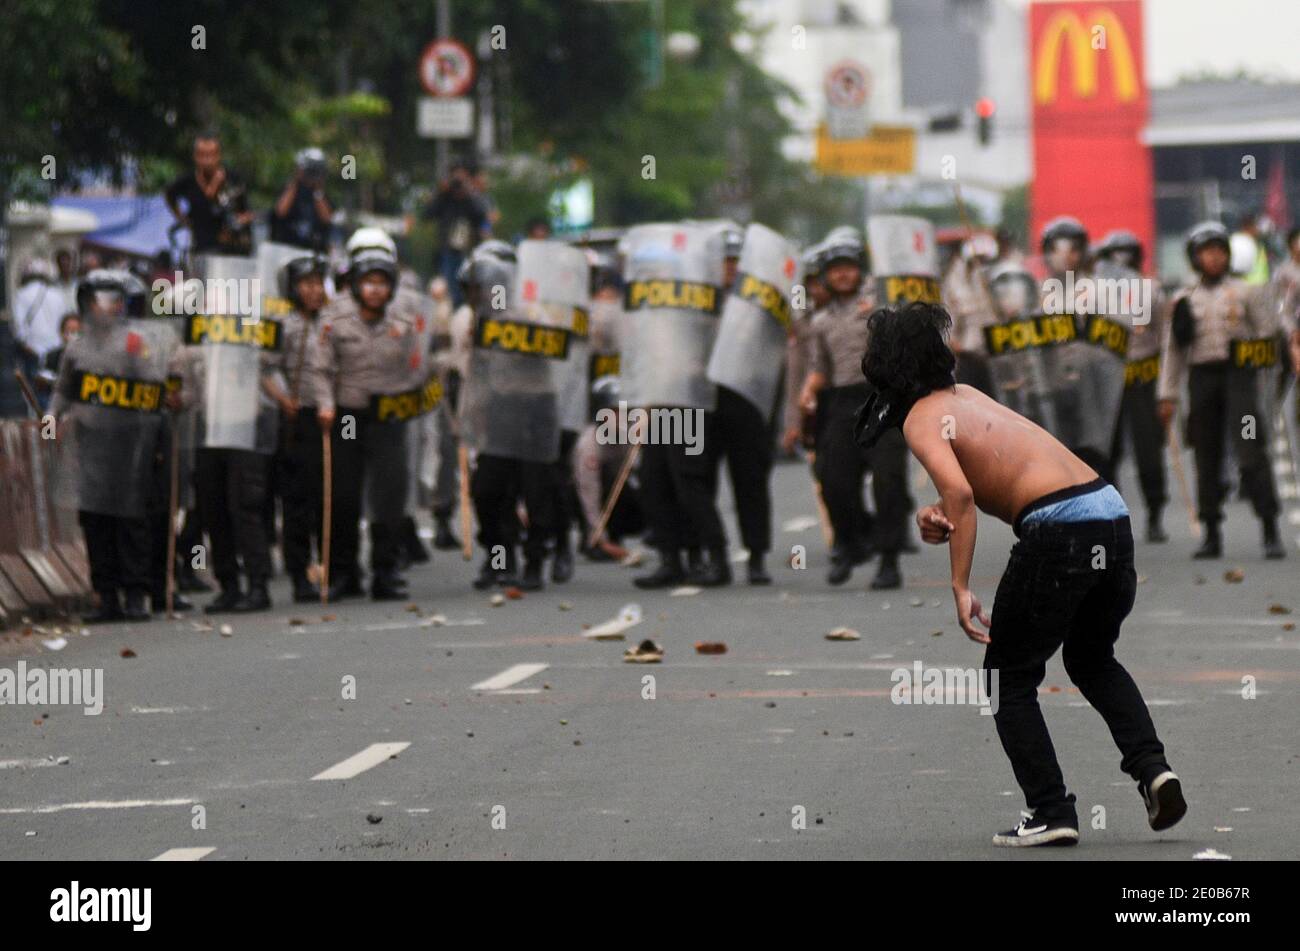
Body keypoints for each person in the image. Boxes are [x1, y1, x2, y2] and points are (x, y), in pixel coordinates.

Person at [857, 300, 1185, 847]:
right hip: (1109, 513)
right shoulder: (969, 398)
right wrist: (937, 515)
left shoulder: (918, 419)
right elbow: (986, 480)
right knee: (1092, 657)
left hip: (1058, 531)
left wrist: (959, 587)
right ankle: (1154, 770)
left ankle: (1052, 810)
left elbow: (961, 492)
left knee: (1005, 678)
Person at [1158, 222, 1287, 559]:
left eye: (1219, 251)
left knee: (1251, 450)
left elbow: (1269, 336)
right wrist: (1167, 394)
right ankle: (1211, 532)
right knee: (1206, 454)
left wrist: (1260, 362)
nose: (1214, 259)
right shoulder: (1184, 299)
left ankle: (1269, 527)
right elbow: (1174, 350)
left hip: (1239, 378)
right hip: (1202, 380)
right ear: (1194, 258)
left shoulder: (1246, 291)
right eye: (1206, 253)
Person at [51, 271, 171, 623]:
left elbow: (154, 388)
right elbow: (62, 389)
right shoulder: (76, 347)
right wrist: (51, 417)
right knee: (96, 522)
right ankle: (107, 596)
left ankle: (136, 594)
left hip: (129, 446)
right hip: (89, 449)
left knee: (130, 521)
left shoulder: (135, 341)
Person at [310, 230, 421, 601]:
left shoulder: (405, 322)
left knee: (390, 495)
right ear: (355, 285)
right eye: (367, 283)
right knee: (343, 494)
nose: (374, 290)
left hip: (390, 413)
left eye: (381, 283)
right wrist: (325, 403)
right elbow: (321, 368)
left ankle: (386, 572)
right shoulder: (333, 318)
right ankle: (343, 573)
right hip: (347, 414)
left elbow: (418, 368)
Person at [799, 227, 905, 590]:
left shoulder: (882, 304)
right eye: (835, 269)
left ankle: (889, 560)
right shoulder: (820, 320)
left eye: (849, 267)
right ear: (826, 275)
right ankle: (851, 542)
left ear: (860, 269)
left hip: (881, 398)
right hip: (841, 401)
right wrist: (807, 390)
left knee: (888, 480)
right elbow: (819, 367)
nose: (843, 274)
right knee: (833, 479)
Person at [1094, 229, 1169, 542]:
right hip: (1108, 380)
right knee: (1106, 451)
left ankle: (1155, 513)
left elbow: (1165, 340)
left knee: (1148, 448)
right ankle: (1113, 512)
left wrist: (1167, 387)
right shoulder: (1094, 293)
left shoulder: (1151, 292)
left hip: (1142, 377)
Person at [268, 253, 330, 602]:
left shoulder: (334, 322)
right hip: (299, 420)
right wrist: (282, 399)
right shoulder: (284, 324)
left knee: (332, 494)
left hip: (337, 418)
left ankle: (333, 568)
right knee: (298, 501)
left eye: (319, 282)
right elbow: (263, 367)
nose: (314, 290)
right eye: (307, 283)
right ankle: (299, 573)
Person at [164, 132, 253, 256]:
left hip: (231, 250)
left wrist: (238, 222)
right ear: (195, 156)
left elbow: (246, 212)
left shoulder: (233, 179)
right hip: (202, 248)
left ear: (219, 155)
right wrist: (182, 219)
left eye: (211, 155)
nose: (207, 161)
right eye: (202, 155)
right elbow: (170, 195)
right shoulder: (188, 181)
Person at [424, 162, 489, 306]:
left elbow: (481, 215)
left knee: (470, 286)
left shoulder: (474, 196)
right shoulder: (445, 197)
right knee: (449, 288)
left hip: (470, 250)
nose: (458, 182)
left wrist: (468, 193)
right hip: (448, 250)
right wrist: (442, 192)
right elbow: (428, 214)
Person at [12, 258, 70, 404]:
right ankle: (53, 424)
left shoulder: (22, 294)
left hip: (34, 353)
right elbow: (66, 324)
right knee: (56, 394)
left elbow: (19, 329)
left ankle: (45, 426)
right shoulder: (57, 294)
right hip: (56, 353)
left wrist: (26, 345)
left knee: (36, 398)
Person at [270, 148, 333, 252]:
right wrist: (297, 180)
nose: (312, 174)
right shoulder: (291, 189)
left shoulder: (320, 194)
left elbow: (326, 218)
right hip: (287, 250)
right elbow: (280, 211)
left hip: (313, 252)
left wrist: (317, 187)